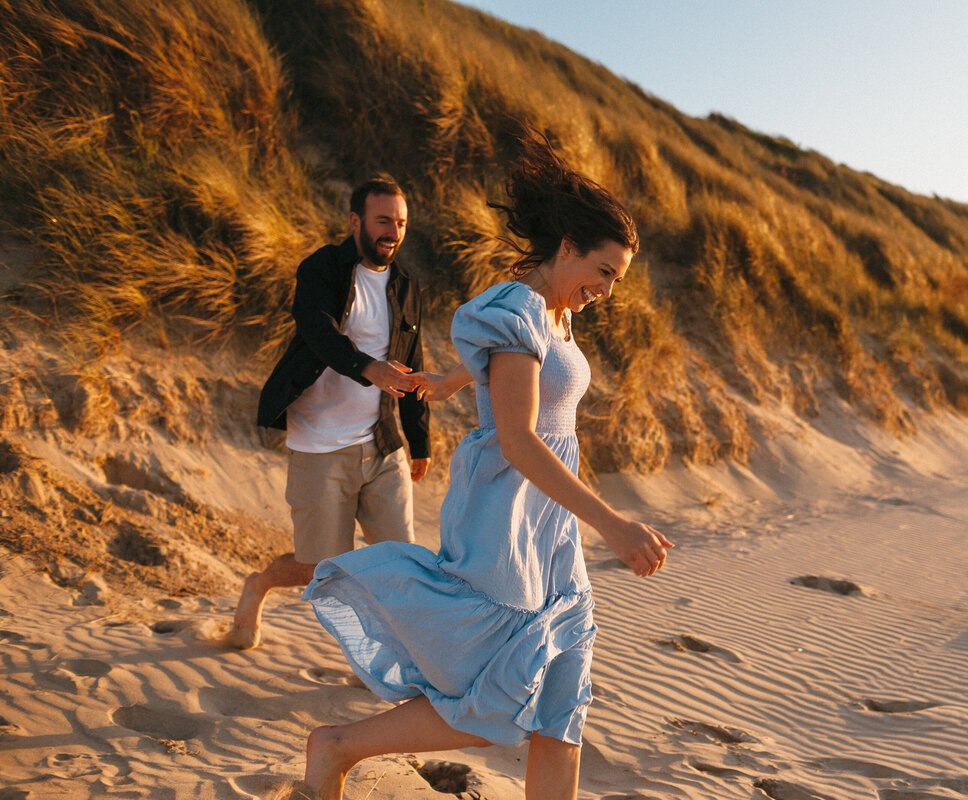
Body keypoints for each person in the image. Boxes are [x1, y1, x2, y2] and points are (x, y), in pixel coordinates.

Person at [290, 133, 674, 800]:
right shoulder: (515, 308)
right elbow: (522, 439)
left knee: (562, 695)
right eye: (604, 271)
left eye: (618, 279)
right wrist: (612, 524)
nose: (608, 290)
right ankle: (338, 746)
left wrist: (446, 380)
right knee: (496, 690)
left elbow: (510, 373)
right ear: (566, 248)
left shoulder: (555, 314)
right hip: (508, 510)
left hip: (550, 522)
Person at [228, 175, 431, 651]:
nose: (393, 233)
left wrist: (418, 440)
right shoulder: (321, 268)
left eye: (400, 223)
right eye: (383, 221)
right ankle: (259, 584)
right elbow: (318, 331)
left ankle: (379, 666)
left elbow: (413, 365)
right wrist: (367, 368)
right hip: (319, 443)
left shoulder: (406, 286)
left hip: (381, 444)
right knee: (322, 568)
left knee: (398, 563)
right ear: (356, 221)